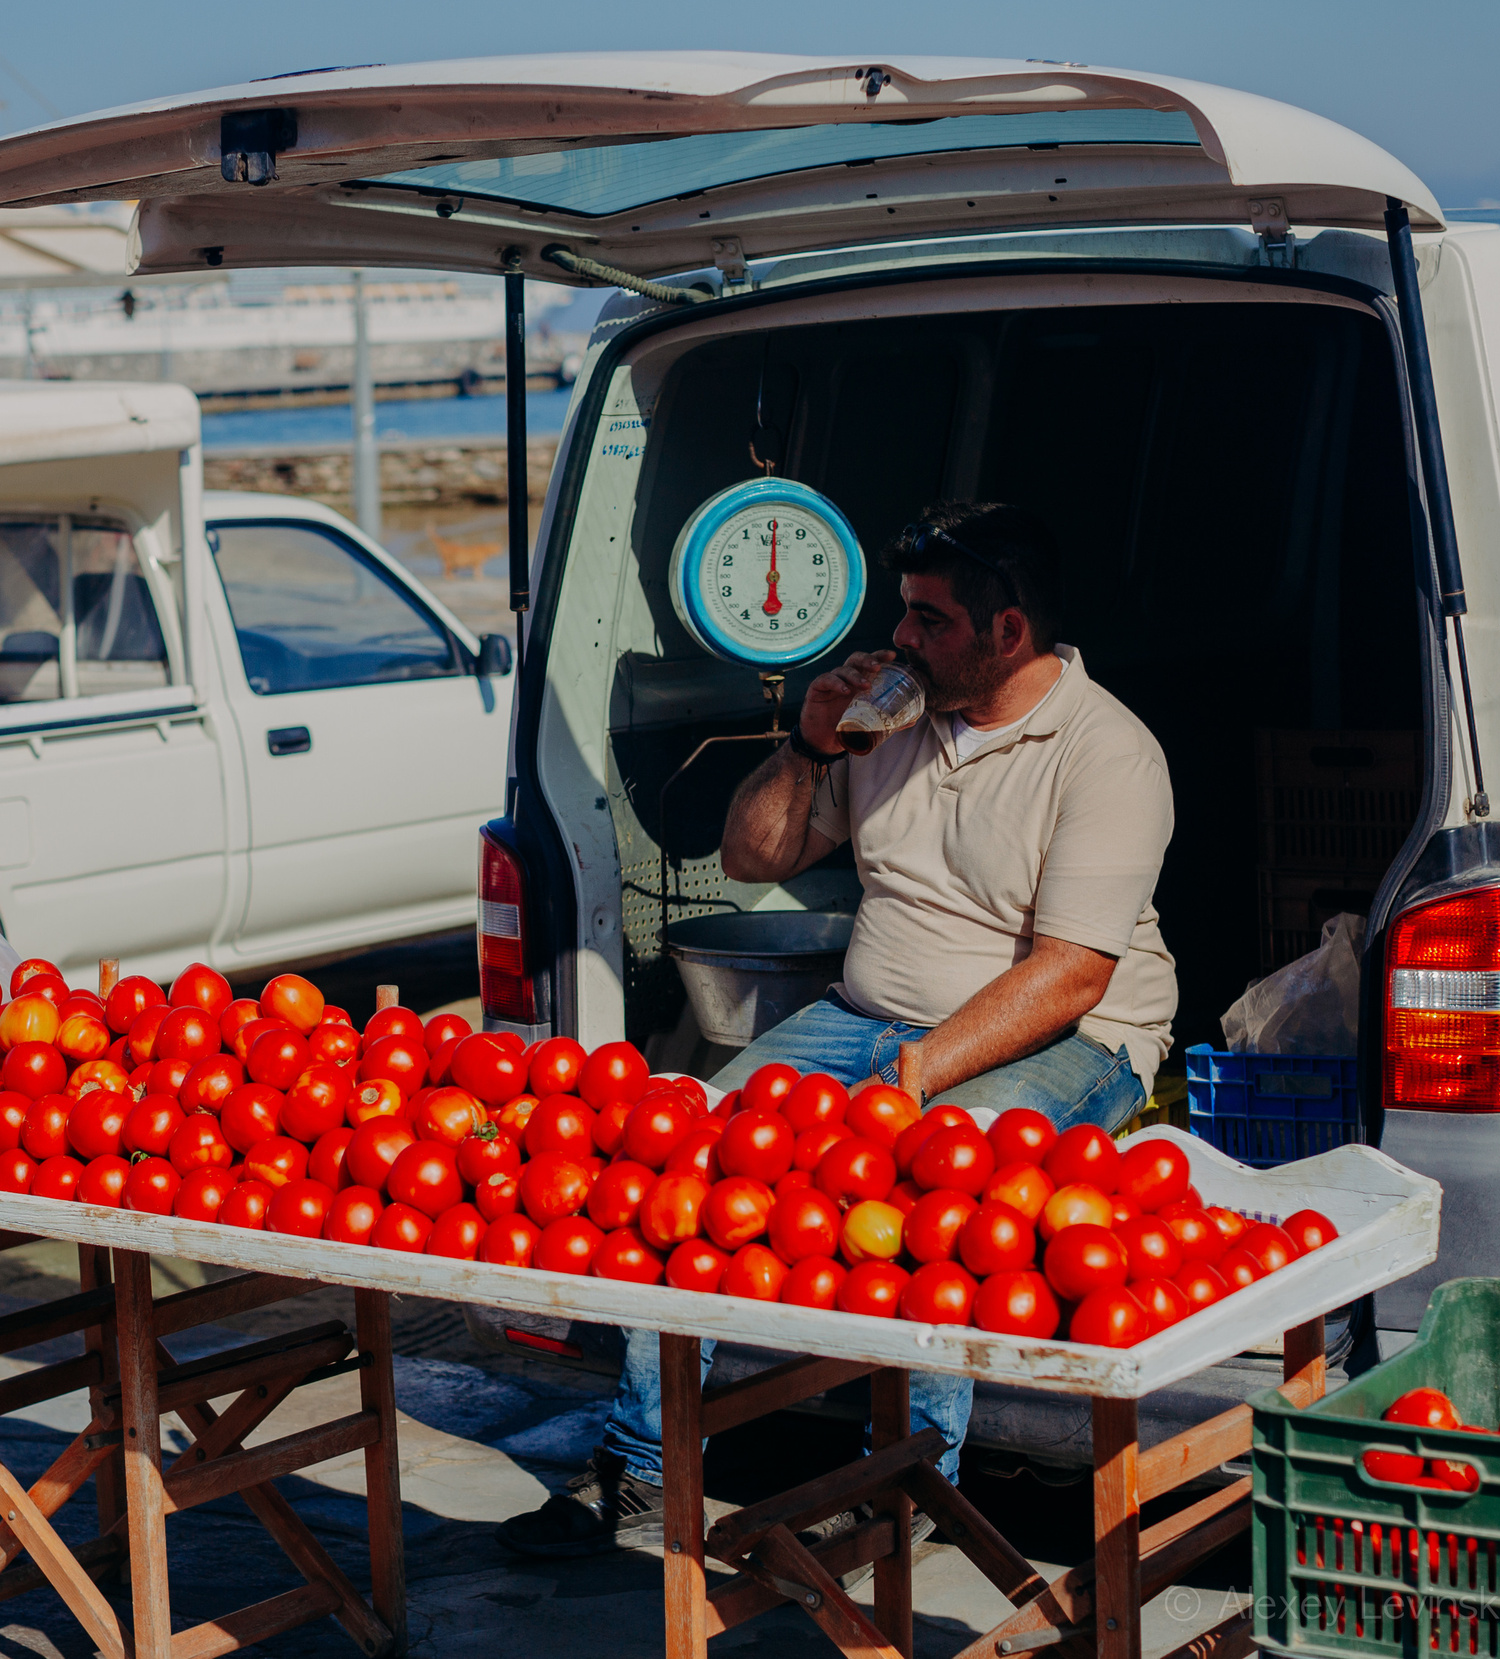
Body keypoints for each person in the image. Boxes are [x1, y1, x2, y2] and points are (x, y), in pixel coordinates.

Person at [498, 500, 1178, 1557]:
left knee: (935, 1191)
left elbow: (1071, 975)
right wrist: (809, 746)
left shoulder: (1106, 752)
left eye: (928, 620)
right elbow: (752, 859)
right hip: (862, 1015)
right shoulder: (887, 721)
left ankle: (909, 1489)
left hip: (1067, 1039)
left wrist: (919, 1073)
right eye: (900, 614)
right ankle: (637, 1463)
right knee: (683, 1147)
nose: (898, 639)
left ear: (1009, 633)